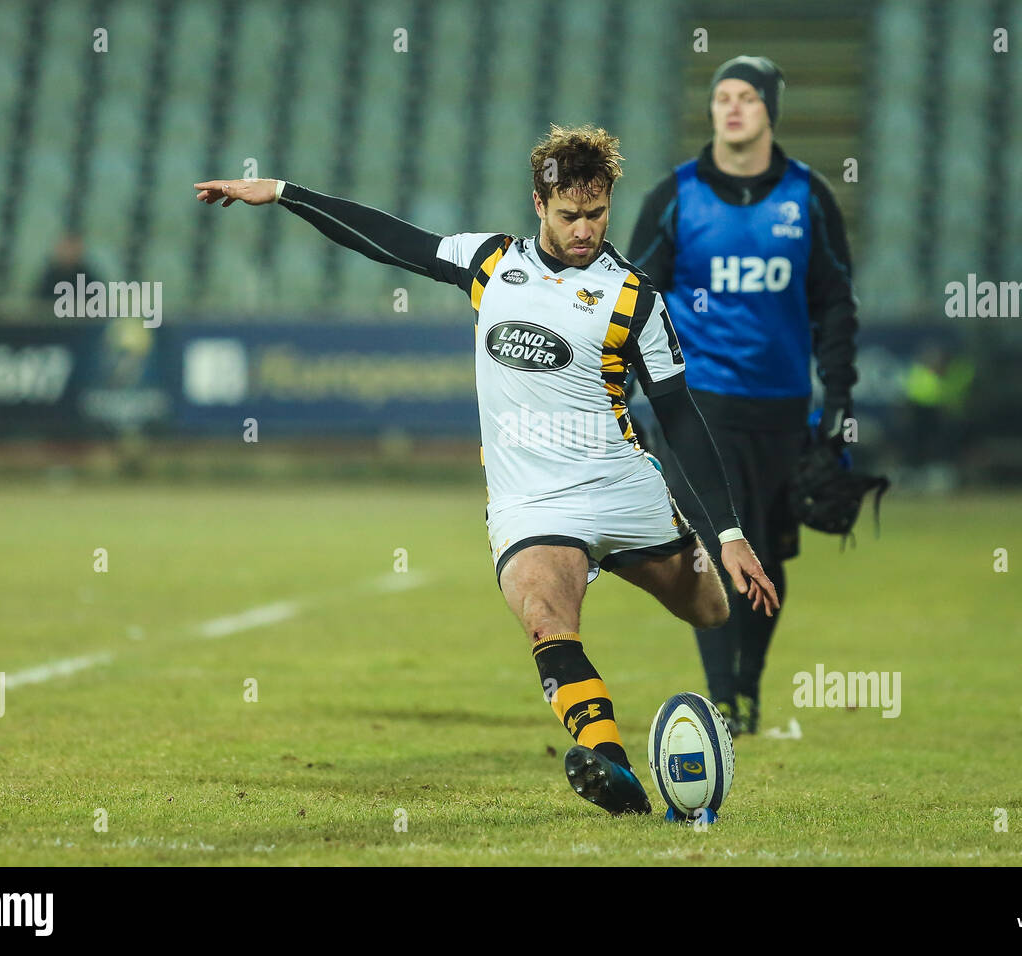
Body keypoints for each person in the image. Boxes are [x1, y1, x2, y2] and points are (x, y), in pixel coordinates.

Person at [193, 124, 779, 817]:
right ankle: (612, 768)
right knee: (544, 618)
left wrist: (731, 532)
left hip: (621, 487)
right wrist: (285, 194)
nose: (585, 229)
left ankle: (648, 590)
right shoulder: (491, 261)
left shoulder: (636, 300)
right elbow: (390, 240)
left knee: (711, 611)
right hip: (531, 504)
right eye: (569, 215)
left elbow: (679, 418)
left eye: (596, 214)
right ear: (539, 204)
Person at [627, 56, 859, 736]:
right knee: (714, 546)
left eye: (747, 98)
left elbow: (835, 304)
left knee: (769, 554)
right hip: (699, 405)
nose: (731, 108)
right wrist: (635, 388)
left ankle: (748, 691)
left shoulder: (808, 197)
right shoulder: (675, 195)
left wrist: (838, 400)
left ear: (770, 111)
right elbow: (635, 296)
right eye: (722, 96)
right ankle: (723, 696)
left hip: (784, 408)